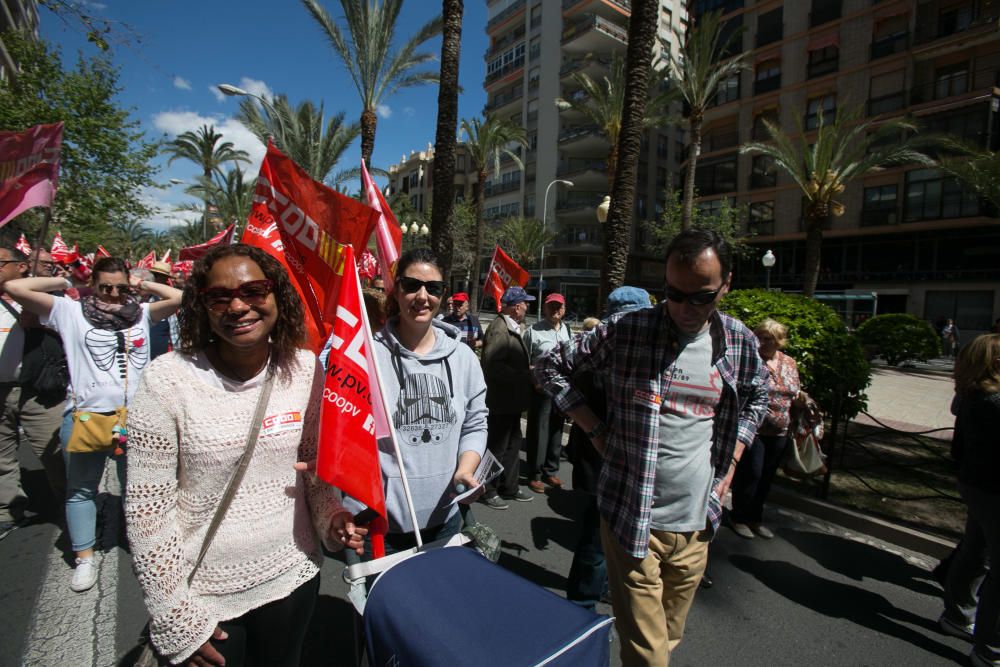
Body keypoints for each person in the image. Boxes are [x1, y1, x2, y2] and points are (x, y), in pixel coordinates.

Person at [535, 229, 769, 665]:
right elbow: (550, 366)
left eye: (701, 296)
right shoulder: (628, 330)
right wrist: (594, 428)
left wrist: (735, 456)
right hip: (632, 519)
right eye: (673, 294)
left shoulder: (738, 341)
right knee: (650, 655)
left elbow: (759, 394)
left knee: (666, 638)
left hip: (699, 522)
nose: (683, 308)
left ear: (727, 284)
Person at [124, 244, 365, 666]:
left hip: (293, 580)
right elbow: (148, 511)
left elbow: (313, 471)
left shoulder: (307, 369)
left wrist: (332, 519)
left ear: (277, 298)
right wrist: (172, 613)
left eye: (254, 290)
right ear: (202, 306)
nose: (238, 306)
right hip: (204, 597)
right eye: (221, 296)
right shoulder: (166, 381)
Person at [5, 256, 182, 592]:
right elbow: (14, 287)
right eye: (105, 287)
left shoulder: (142, 313)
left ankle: (144, 548)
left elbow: (182, 299)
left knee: (140, 491)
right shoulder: (69, 312)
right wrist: (64, 283)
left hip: (137, 418)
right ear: (93, 285)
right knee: (81, 490)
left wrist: (143, 285)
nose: (113, 295)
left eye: (120, 287)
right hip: (86, 416)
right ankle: (84, 558)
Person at [364, 248, 488, 550]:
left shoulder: (463, 357)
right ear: (396, 291)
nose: (422, 296)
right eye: (411, 285)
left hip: (447, 520)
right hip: (381, 527)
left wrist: (466, 468)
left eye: (432, 288)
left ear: (442, 294)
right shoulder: (366, 355)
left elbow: (475, 423)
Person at [564, 286, 650, 611]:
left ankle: (598, 588)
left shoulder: (648, 354)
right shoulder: (594, 356)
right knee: (595, 541)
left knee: (615, 542)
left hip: (634, 469)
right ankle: (581, 604)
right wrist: (599, 433)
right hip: (601, 466)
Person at [939, 334, 1000, 666]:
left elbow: (958, 446)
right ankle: (990, 648)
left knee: (977, 551)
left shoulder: (972, 396)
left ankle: (958, 615)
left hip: (976, 483)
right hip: (991, 487)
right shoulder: (991, 401)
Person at [0, 247, 67, 538]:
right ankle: (7, 509)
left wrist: (41, 322)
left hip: (39, 390)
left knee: (55, 454)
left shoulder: (50, 299)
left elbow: (79, 336)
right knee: (1, 455)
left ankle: (73, 508)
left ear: (22, 267)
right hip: (2, 391)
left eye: (1, 263)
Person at [729, 318, 801, 539]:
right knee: (752, 472)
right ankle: (739, 517)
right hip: (755, 427)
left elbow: (795, 389)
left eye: (767, 338)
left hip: (780, 430)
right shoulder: (750, 360)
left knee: (767, 476)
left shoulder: (788, 362)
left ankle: (755, 518)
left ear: (779, 341)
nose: (762, 342)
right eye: (759, 337)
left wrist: (802, 400)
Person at [479, 286, 536, 510]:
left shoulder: (511, 326)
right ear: (516, 306)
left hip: (511, 400)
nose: (528, 306)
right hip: (500, 400)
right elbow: (492, 366)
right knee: (497, 447)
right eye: (525, 303)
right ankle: (487, 489)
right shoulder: (500, 329)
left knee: (512, 445)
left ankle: (509, 486)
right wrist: (524, 374)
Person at [523, 292, 573, 493]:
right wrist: (534, 382)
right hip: (541, 390)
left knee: (556, 431)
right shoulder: (533, 331)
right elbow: (524, 362)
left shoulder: (567, 330)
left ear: (564, 308)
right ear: (544, 308)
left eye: (559, 306)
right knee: (539, 432)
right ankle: (534, 474)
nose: (555, 310)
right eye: (551, 306)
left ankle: (550, 470)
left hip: (561, 390)